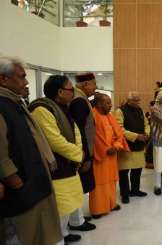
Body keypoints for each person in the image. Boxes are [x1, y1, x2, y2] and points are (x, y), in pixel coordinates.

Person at [0, 57, 62, 245]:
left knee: (40, 232)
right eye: (22, 77)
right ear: (3, 79)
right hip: (20, 189)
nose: (26, 82)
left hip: (33, 181)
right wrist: (13, 178)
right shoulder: (3, 105)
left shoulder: (15, 102)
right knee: (22, 234)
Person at [29, 75, 85, 244]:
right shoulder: (42, 110)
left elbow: (75, 132)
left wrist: (78, 152)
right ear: (60, 92)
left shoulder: (62, 107)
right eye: (71, 90)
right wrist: (78, 154)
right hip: (57, 166)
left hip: (69, 162)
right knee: (60, 206)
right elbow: (54, 141)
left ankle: (64, 232)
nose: (73, 93)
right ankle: (58, 237)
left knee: (69, 203)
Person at [90, 93, 129, 218]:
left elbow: (119, 133)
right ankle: (98, 209)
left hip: (112, 155)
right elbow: (94, 138)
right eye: (107, 103)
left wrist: (116, 146)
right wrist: (107, 149)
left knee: (112, 181)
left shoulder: (109, 116)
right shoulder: (93, 116)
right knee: (99, 183)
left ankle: (111, 204)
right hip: (100, 156)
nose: (111, 105)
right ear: (99, 104)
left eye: (110, 102)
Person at [68, 73, 97, 231]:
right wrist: (85, 156)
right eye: (93, 84)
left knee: (79, 186)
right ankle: (76, 221)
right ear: (85, 85)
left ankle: (76, 217)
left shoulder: (79, 98)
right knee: (77, 186)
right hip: (82, 153)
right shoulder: (78, 101)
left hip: (82, 151)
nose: (95, 87)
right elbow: (79, 130)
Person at [114, 91, 150, 204]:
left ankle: (135, 190)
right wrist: (136, 136)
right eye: (135, 100)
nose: (138, 102)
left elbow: (146, 124)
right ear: (129, 100)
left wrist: (146, 133)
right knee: (124, 171)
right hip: (126, 145)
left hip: (139, 144)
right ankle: (125, 194)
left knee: (137, 169)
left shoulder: (140, 110)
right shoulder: (120, 111)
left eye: (139, 100)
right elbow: (119, 129)